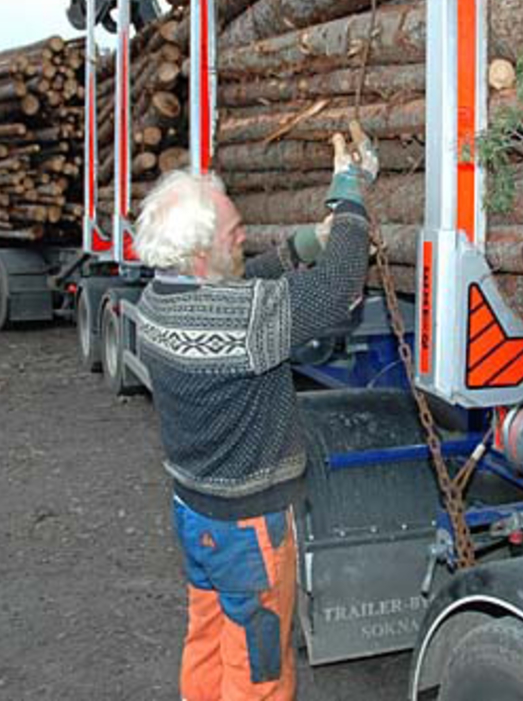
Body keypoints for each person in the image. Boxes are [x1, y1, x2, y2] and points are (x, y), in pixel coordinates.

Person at [133, 124, 378, 701]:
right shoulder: (239, 321)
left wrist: (303, 246)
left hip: (197, 514)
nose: (244, 234)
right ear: (197, 255)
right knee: (259, 667)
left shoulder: (156, 302)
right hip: (249, 527)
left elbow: (240, 286)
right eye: (233, 230)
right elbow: (340, 287)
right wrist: (350, 186)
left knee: (210, 636)